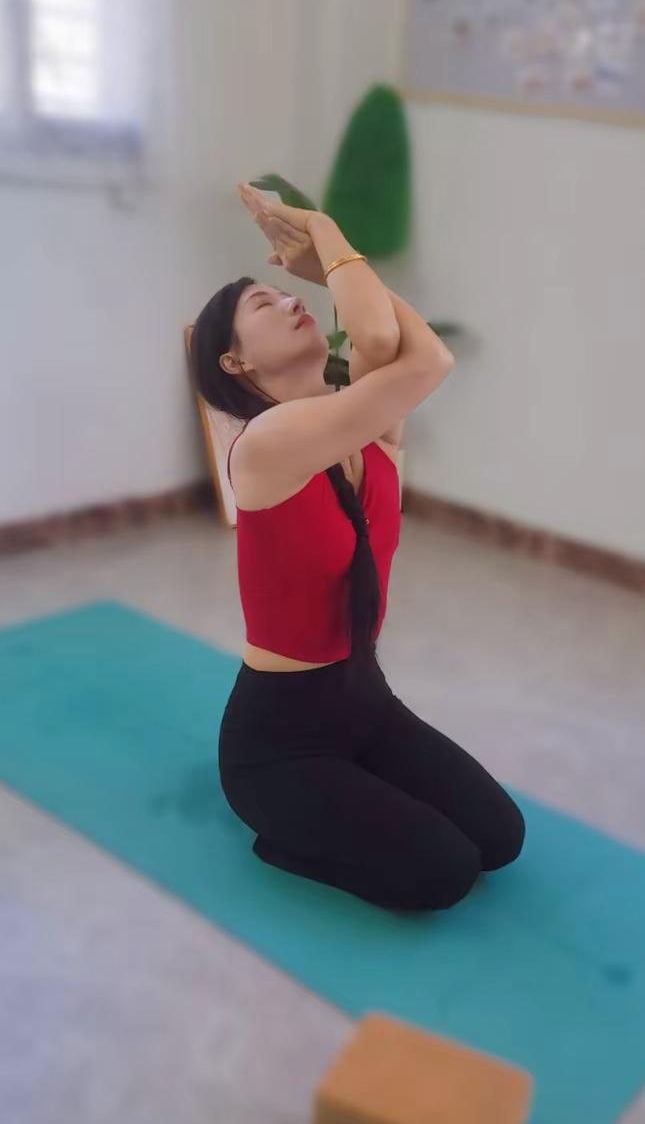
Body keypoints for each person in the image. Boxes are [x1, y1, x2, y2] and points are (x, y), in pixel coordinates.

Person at [188, 183, 525, 911]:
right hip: (279, 743)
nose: (288, 301)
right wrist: (321, 227)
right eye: (264, 305)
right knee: (441, 875)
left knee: (501, 840)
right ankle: (281, 837)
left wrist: (320, 267)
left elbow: (402, 346)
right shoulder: (268, 443)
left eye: (288, 293)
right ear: (236, 363)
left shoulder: (365, 427)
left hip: (365, 703)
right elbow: (424, 363)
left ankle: (349, 799)